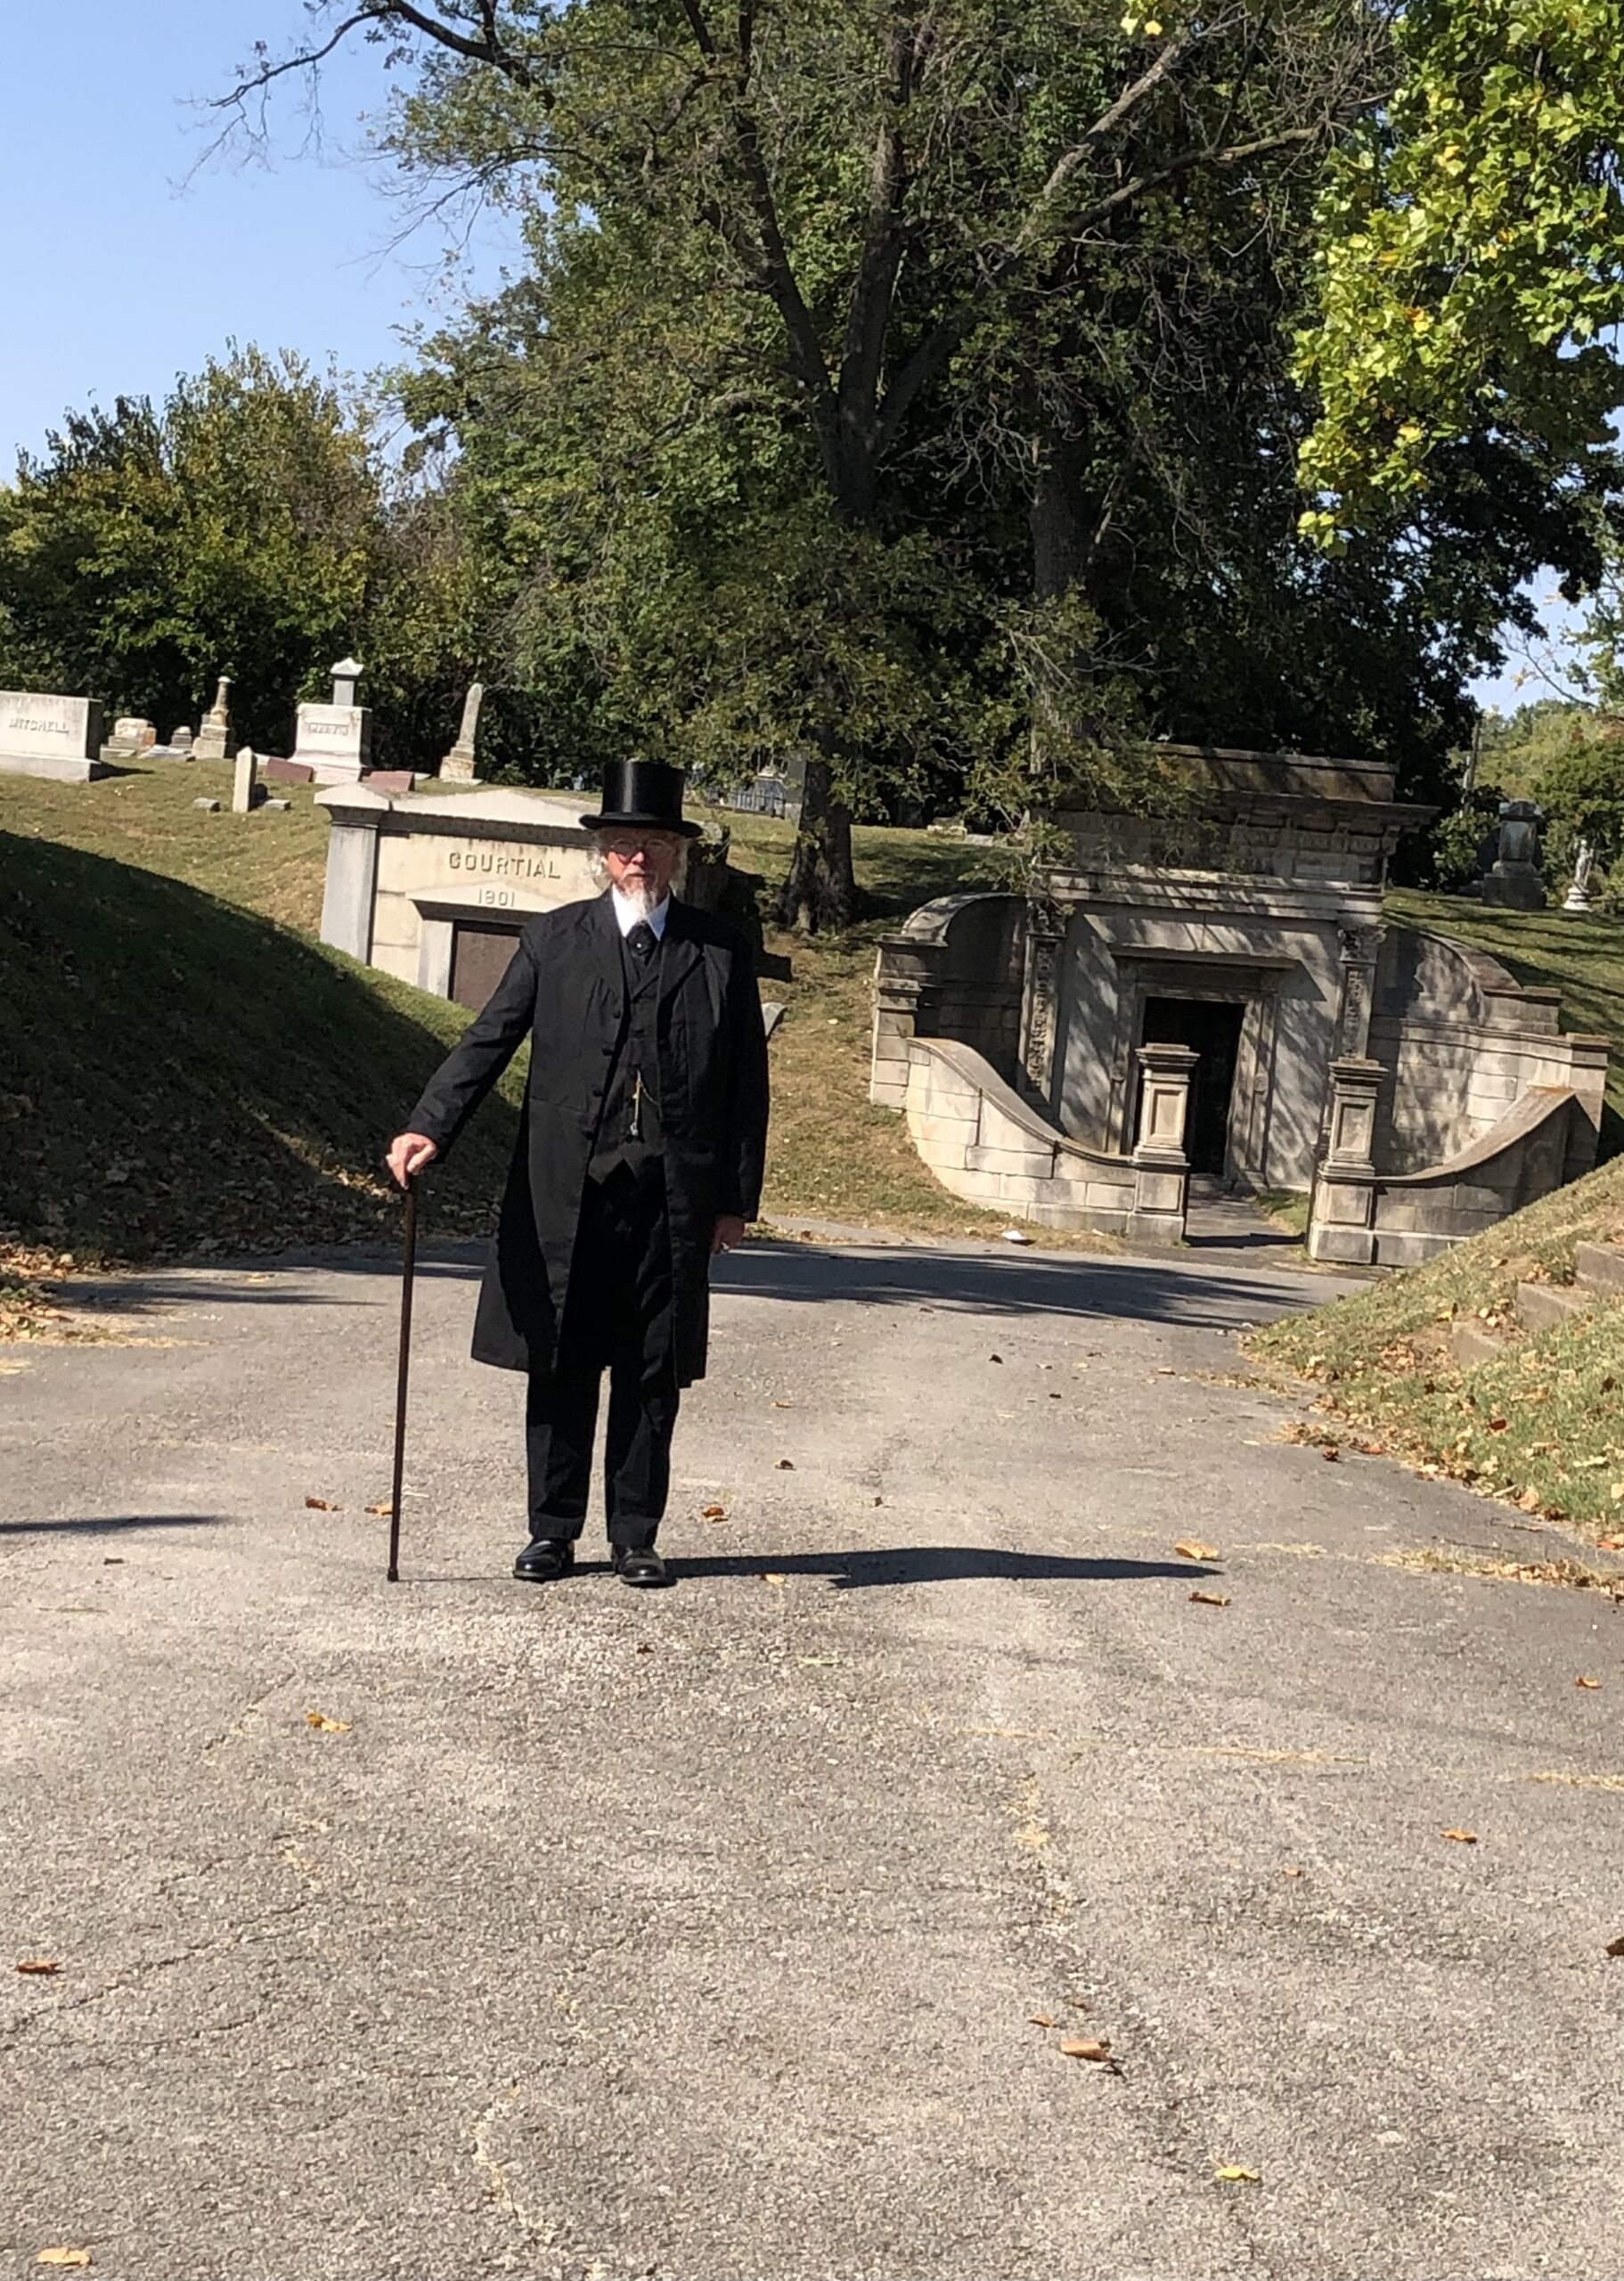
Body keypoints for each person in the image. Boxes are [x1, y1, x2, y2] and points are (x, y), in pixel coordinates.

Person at [386, 759, 770, 1588]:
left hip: (670, 1197)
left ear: (677, 854)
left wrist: (735, 1200)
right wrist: (429, 1126)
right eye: (626, 844)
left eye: (655, 844)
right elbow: (488, 1039)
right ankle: (551, 1531)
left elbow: (746, 1083)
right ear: (603, 853)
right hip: (567, 1192)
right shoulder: (553, 939)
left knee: (650, 1367)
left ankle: (636, 1535)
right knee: (559, 1359)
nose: (640, 858)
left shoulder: (722, 953)